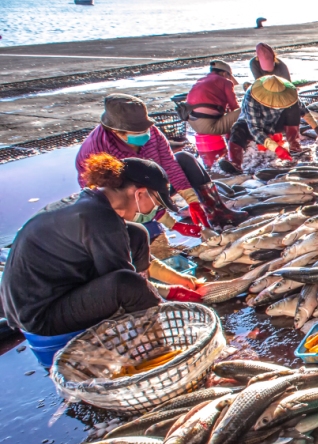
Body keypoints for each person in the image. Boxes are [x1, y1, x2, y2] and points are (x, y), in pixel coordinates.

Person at [0, 155, 201, 337]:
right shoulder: (101, 220)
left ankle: (145, 306)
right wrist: (156, 296)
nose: (156, 209)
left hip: (53, 290)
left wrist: (177, 282)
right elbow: (125, 283)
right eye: (157, 202)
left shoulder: (90, 201)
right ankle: (158, 341)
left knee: (138, 233)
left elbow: (126, 269)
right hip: (40, 313)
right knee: (129, 286)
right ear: (140, 194)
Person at [75, 94, 242, 232]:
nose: (144, 134)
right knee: (147, 233)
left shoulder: (153, 132)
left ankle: (218, 213)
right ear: (115, 131)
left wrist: (192, 201)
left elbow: (170, 164)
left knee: (184, 158)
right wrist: (172, 224)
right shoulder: (100, 151)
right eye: (136, 132)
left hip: (151, 184)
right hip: (122, 198)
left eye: (144, 129)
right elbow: (123, 193)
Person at [227, 75, 318, 170]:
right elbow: (255, 129)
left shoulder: (288, 94)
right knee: (237, 129)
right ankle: (235, 164)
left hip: (277, 123)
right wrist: (277, 149)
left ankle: (295, 147)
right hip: (255, 125)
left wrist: (317, 128)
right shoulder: (251, 96)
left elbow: (302, 109)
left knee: (293, 108)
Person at [185, 60, 240, 137]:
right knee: (244, 110)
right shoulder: (226, 81)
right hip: (209, 126)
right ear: (224, 74)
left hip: (193, 125)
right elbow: (234, 106)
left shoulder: (201, 80)